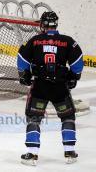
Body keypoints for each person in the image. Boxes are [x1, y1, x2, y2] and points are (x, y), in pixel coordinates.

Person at [17, 11, 83, 165]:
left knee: (34, 118)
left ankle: (32, 154)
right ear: (56, 24)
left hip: (40, 86)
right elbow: (78, 62)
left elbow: (21, 59)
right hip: (60, 87)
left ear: (43, 25)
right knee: (67, 117)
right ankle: (70, 152)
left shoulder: (34, 40)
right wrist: (74, 77)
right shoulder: (67, 41)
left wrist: (24, 75)